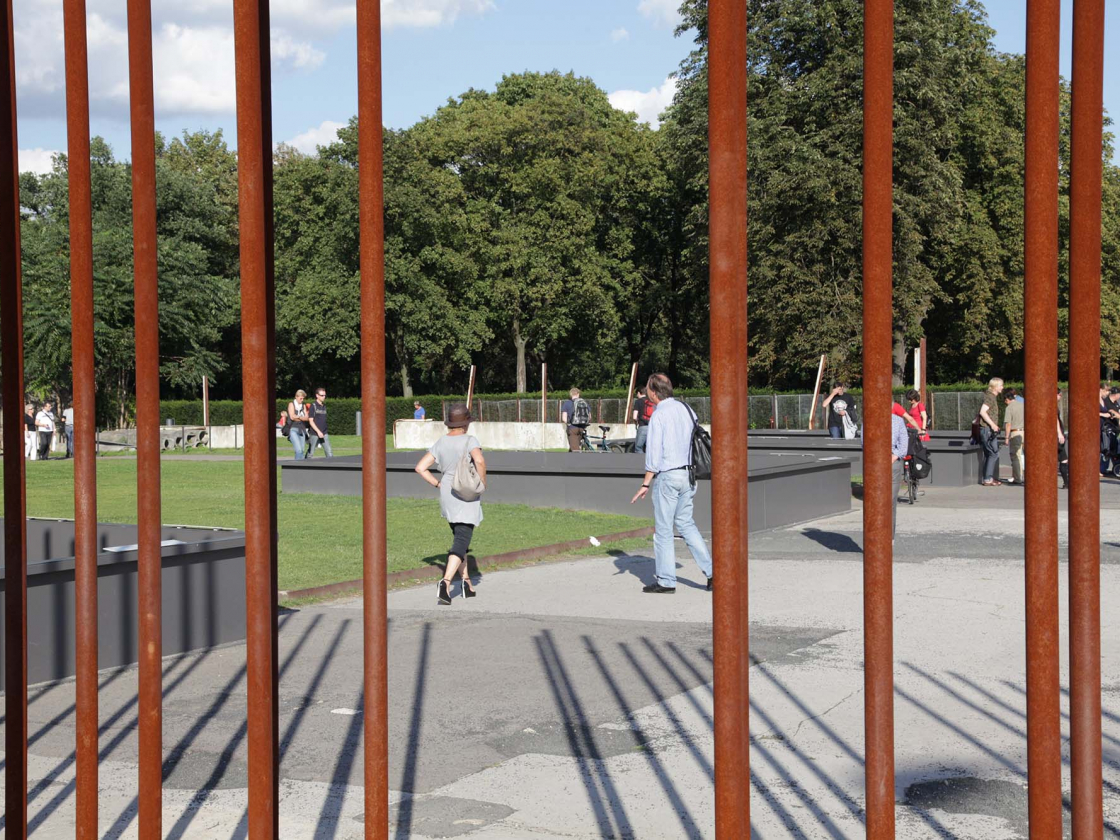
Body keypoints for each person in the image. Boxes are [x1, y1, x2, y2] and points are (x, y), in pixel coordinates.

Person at [629, 373, 713, 593]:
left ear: (654, 392)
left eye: (648, 388)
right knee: (686, 523)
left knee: (664, 530)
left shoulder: (659, 414)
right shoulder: (687, 409)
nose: (647, 392)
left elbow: (654, 454)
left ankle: (666, 581)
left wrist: (646, 483)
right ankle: (713, 573)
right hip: (689, 474)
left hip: (668, 475)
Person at [414, 403, 486, 605]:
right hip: (466, 490)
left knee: (459, 537)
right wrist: (482, 482)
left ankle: (466, 584)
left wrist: (437, 483)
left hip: (447, 490)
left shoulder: (441, 442)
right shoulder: (470, 440)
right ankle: (445, 582)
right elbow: (479, 461)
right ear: (466, 424)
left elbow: (420, 467)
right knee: (463, 537)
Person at [977, 377, 1004, 486]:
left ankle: (989, 477)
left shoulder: (990, 396)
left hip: (988, 429)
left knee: (991, 454)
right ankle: (988, 478)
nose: (1002, 387)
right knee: (993, 453)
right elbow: (982, 412)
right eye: (1001, 385)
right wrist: (993, 425)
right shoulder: (990, 397)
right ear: (995, 386)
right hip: (987, 429)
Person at [891, 409, 909, 538]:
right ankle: (888, 537)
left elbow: (864, 443)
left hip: (890, 462)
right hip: (891, 461)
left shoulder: (897, 421)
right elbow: (903, 444)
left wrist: (894, 456)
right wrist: (895, 456)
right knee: (890, 502)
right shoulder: (898, 420)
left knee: (889, 501)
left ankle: (887, 537)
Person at [1002, 389, 1024, 486]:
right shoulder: (1023, 405)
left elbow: (1008, 424)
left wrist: (1006, 437)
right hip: (1025, 432)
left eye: (1005, 400)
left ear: (1007, 399)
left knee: (1015, 456)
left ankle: (1018, 478)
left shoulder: (1009, 408)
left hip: (1015, 433)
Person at [561, 387, 591, 452]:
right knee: (574, 446)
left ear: (571, 394)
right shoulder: (584, 403)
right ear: (578, 394)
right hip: (582, 428)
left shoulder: (567, 403)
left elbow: (564, 418)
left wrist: (568, 424)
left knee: (575, 450)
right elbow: (589, 417)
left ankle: (580, 461)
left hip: (572, 428)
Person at [305, 387, 333, 458]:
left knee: (329, 451)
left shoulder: (324, 406)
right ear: (317, 395)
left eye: (325, 395)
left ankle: (332, 467)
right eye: (322, 395)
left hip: (324, 432)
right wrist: (318, 432)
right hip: (314, 433)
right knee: (311, 452)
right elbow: (311, 421)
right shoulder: (313, 406)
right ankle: (304, 465)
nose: (324, 397)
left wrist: (323, 431)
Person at [286, 389, 310, 460]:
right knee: (298, 450)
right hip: (293, 429)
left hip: (302, 429)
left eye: (303, 398)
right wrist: (302, 417)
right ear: (296, 397)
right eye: (301, 398)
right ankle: (296, 467)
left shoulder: (303, 406)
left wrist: (298, 417)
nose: (302, 400)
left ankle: (300, 468)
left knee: (302, 450)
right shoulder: (291, 404)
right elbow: (292, 417)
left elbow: (307, 418)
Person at [632, 387, 653, 453]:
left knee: (638, 447)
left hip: (643, 426)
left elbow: (634, 417)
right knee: (649, 448)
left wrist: (636, 423)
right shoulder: (650, 401)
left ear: (638, 393)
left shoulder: (638, 401)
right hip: (652, 427)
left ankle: (640, 462)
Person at [1057, 388, 1069, 490]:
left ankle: (1066, 482)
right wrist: (1060, 434)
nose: (1060, 397)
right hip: (1056, 436)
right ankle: (1066, 482)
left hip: (1057, 435)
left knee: (1064, 459)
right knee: (1063, 459)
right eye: (1060, 395)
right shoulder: (1052, 406)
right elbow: (1055, 420)